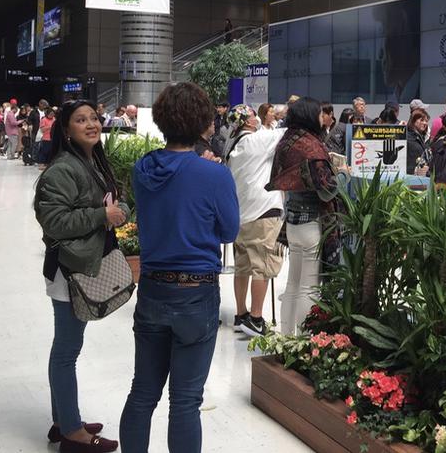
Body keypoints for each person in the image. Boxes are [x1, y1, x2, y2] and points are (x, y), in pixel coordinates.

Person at [120, 83, 240, 453]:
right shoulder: (213, 174)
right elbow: (228, 231)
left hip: (153, 288)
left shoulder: (144, 169)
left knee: (143, 391)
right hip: (196, 293)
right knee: (185, 401)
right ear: (204, 123)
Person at [33, 100, 128, 453]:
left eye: (93, 118)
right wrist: (102, 216)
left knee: (66, 349)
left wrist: (117, 211)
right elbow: (54, 223)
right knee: (67, 351)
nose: (91, 124)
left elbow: (108, 203)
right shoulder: (62, 170)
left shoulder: (90, 161)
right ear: (66, 129)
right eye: (80, 120)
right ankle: (72, 433)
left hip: (82, 266)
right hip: (67, 271)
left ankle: (63, 421)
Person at [266, 97, 340, 334]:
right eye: (320, 114)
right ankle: (305, 341)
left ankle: (287, 337)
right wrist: (342, 175)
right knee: (310, 286)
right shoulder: (311, 146)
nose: (323, 118)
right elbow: (327, 190)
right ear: (310, 116)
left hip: (292, 223)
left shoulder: (286, 142)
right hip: (311, 224)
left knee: (293, 283)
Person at [224, 104, 286, 337]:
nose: (256, 118)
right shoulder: (255, 141)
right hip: (263, 213)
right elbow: (284, 133)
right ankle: (256, 319)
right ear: (248, 122)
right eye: (252, 115)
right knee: (263, 266)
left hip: (240, 216)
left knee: (243, 266)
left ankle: (241, 315)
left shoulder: (234, 147)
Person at [406, 108, 431, 176]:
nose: (425, 123)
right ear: (413, 121)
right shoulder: (408, 138)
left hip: (423, 178)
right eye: (421, 120)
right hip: (411, 179)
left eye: (426, 121)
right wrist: (413, 170)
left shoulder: (424, 137)